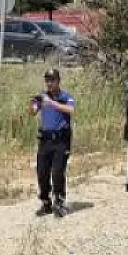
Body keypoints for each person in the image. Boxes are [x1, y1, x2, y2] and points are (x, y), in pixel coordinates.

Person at [29, 68, 77, 218]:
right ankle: (45, 202)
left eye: (52, 80)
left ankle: (59, 202)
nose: (49, 83)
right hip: (45, 140)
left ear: (58, 81)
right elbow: (32, 111)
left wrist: (52, 103)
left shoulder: (66, 97)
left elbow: (70, 110)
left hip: (61, 141)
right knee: (42, 172)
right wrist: (33, 104)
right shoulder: (43, 97)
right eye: (47, 80)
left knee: (57, 172)